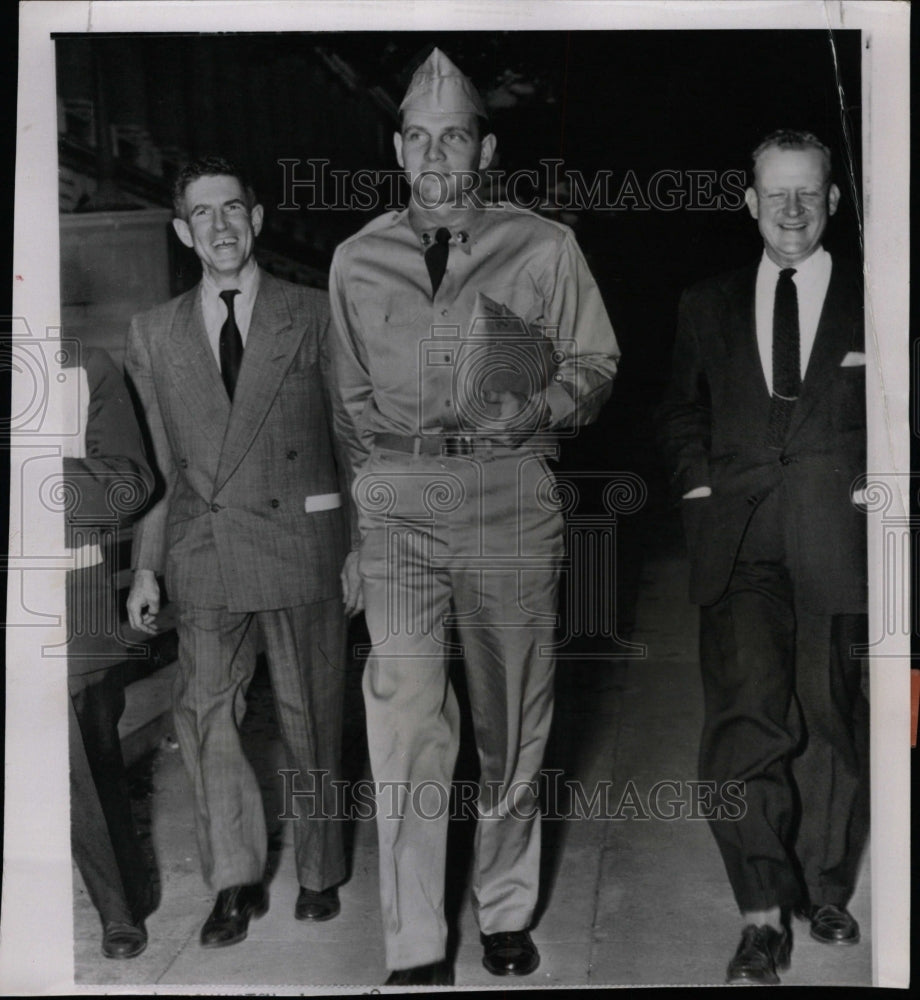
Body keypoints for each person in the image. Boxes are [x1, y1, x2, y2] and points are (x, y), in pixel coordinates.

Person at [329, 48, 620, 987]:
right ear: (401, 150)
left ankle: (503, 906)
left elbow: (595, 362)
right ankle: (415, 944)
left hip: (508, 497)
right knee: (406, 723)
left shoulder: (545, 246)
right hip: (400, 505)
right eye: (416, 138)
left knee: (511, 720)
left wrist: (540, 408)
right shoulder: (356, 259)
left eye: (452, 136)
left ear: (484, 147)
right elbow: (347, 407)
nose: (433, 155)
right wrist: (355, 533)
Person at [125, 156, 352, 949]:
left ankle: (320, 870)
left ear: (255, 219)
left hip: (304, 542)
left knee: (312, 717)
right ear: (183, 231)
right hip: (206, 547)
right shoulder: (152, 332)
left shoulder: (316, 311)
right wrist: (147, 564)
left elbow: (353, 437)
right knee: (205, 720)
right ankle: (234, 880)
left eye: (233, 210)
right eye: (202, 214)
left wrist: (362, 546)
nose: (219, 227)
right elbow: (156, 464)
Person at [658, 129, 869, 985]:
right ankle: (761, 911)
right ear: (749, 202)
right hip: (739, 540)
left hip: (838, 536)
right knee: (748, 719)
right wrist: (700, 490)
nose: (790, 210)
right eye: (774, 194)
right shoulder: (704, 303)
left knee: (830, 719)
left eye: (807, 194)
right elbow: (679, 413)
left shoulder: (876, 299)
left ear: (833, 202)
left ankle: (824, 883)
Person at [65, 346, 156, 959]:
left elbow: (132, 484)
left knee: (85, 762)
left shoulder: (85, 368)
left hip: (64, 613)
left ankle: (120, 906)